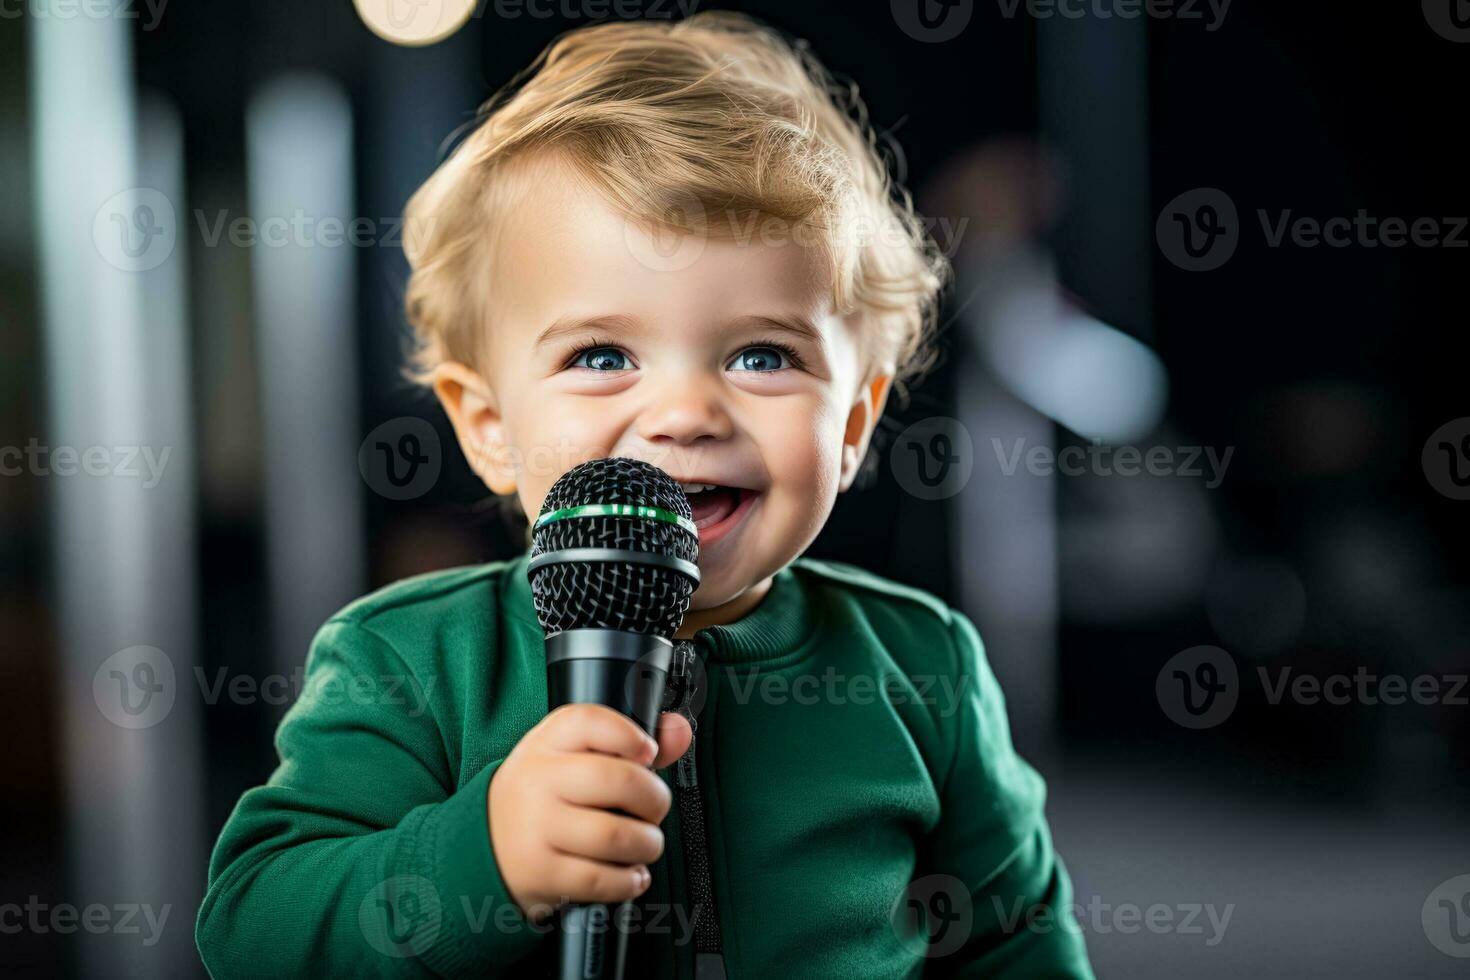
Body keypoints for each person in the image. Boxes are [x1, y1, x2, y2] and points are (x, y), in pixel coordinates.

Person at [196, 12, 1093, 977]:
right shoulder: (409, 663)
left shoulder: (925, 668)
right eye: (602, 355)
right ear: (488, 424)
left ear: (853, 424)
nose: (684, 411)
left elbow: (1015, 941)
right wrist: (481, 857)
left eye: (761, 355)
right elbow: (253, 929)